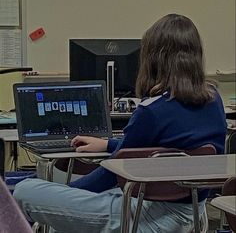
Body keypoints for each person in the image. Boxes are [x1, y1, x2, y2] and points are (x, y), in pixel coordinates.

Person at [13, 14, 227, 233]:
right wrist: (108, 145)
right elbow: (168, 151)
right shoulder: (213, 98)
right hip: (195, 213)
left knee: (25, 189)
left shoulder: (151, 111)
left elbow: (111, 174)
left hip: (147, 217)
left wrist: (62, 194)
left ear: (153, 57)